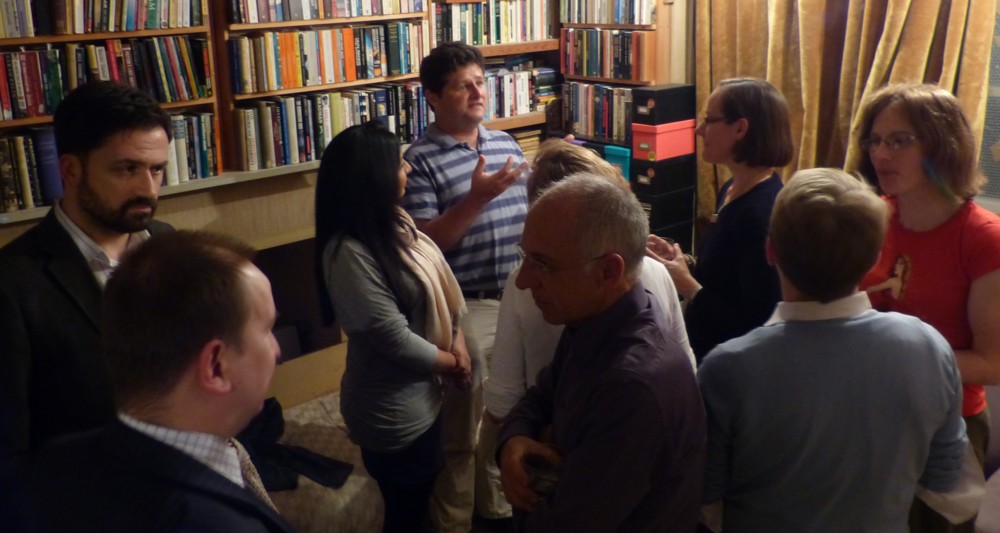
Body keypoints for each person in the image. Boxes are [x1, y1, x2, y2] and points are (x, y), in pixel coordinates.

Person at [699, 168, 967, 531]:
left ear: (770, 250)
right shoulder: (930, 346)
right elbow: (945, 481)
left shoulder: (726, 369)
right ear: (875, 258)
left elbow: (705, 500)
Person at [27, 230, 294, 532]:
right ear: (216, 366)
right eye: (267, 329)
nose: (276, 349)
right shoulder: (216, 524)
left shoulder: (57, 463)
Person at [496, 174, 705, 531]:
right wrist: (514, 440)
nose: (523, 280)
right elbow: (538, 398)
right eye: (525, 257)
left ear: (608, 271)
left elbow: (562, 525)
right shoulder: (592, 321)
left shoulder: (633, 387)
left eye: (543, 264)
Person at [0, 81, 173, 467]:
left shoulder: (166, 243)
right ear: (71, 169)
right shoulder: (12, 283)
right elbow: (9, 449)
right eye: (127, 169)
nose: (148, 189)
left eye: (157, 169)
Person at [856, 83, 1000, 532]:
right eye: (875, 140)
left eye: (899, 141)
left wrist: (892, 358)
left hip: (946, 424)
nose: (881, 154)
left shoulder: (983, 238)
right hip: (869, 409)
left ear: (942, 146)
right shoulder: (868, 217)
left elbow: (993, 363)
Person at [315, 122, 471, 532]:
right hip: (392, 412)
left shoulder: (396, 223)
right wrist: (453, 363)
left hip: (425, 395)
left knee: (420, 496)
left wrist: (457, 342)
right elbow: (394, 339)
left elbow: (443, 289)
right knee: (406, 512)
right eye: (399, 162)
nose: (409, 168)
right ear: (373, 176)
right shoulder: (348, 253)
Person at [402, 41, 529, 529]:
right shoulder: (419, 160)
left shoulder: (506, 144)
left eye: (480, 82)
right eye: (463, 86)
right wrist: (475, 200)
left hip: (521, 294)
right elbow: (423, 247)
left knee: (508, 417)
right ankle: (454, 523)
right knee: (463, 430)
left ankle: (497, 512)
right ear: (433, 97)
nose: (478, 92)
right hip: (466, 307)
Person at [484, 139, 696, 426]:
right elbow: (688, 367)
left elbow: (501, 404)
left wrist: (521, 438)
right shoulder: (656, 273)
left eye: (544, 264)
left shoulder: (636, 381)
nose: (525, 281)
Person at [646, 77, 793, 363]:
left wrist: (687, 285)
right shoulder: (732, 189)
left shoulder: (763, 215)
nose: (699, 130)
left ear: (740, 129)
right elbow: (724, 278)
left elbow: (757, 325)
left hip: (730, 369)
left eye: (709, 120)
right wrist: (684, 263)